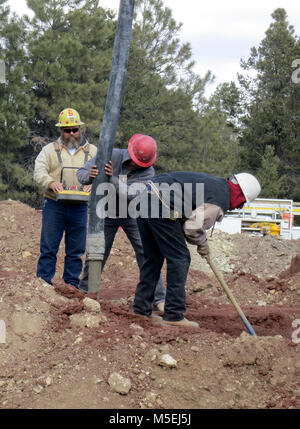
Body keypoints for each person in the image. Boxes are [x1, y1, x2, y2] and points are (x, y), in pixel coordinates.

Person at [109, 170, 261, 328]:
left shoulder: (214, 185)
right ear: (241, 196)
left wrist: (202, 242)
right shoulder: (219, 199)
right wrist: (202, 244)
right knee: (180, 258)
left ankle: (141, 309)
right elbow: (192, 227)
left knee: (153, 258)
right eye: (242, 203)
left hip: (144, 199)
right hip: (161, 204)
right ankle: (174, 314)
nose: (238, 207)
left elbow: (184, 218)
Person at [77, 134, 166, 311]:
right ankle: (87, 290)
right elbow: (80, 174)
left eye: (139, 164)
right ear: (130, 152)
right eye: (134, 162)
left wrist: (111, 179)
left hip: (133, 214)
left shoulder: (149, 171)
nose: (135, 166)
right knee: (97, 251)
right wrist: (91, 175)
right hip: (105, 211)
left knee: (147, 253)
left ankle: (159, 298)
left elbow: (132, 193)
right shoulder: (111, 155)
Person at [34, 108, 97, 288]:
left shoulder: (92, 151)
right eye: (66, 130)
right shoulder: (49, 150)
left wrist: (94, 184)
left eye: (74, 129)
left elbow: (104, 173)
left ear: (80, 129)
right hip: (54, 204)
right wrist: (50, 182)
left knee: (76, 249)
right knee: (49, 246)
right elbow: (39, 171)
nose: (71, 134)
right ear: (60, 130)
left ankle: (71, 284)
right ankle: (44, 284)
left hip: (79, 207)